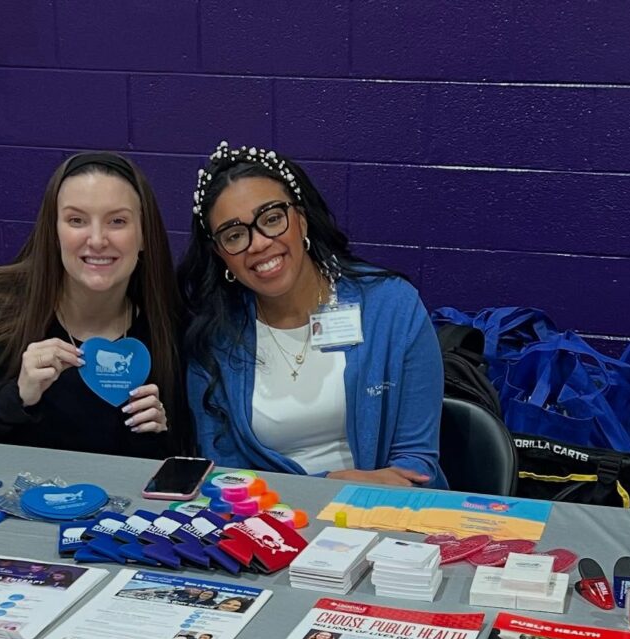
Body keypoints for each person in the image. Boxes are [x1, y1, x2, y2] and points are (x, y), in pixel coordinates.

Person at [180, 142, 446, 488]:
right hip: (270, 519)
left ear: (301, 220)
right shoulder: (215, 339)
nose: (258, 243)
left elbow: (416, 464)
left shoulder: (392, 306)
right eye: (234, 235)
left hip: (389, 512)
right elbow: (225, 476)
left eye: (272, 218)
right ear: (221, 254)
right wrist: (332, 482)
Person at [0, 152, 184, 457]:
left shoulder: (167, 325)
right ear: (53, 232)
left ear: (143, 234)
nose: (98, 239)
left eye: (117, 221)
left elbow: (176, 462)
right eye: (77, 220)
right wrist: (17, 395)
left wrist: (155, 435)